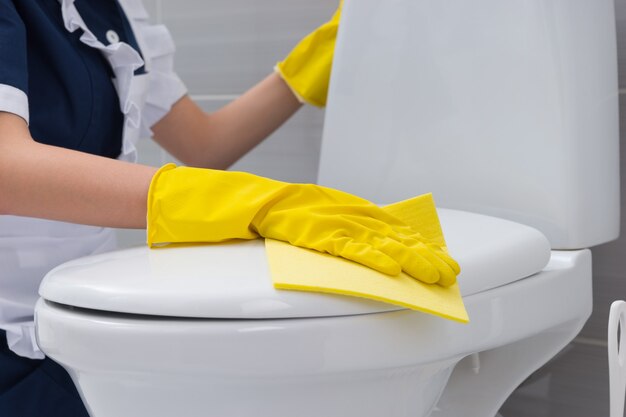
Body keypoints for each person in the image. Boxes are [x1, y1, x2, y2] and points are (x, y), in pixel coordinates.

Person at [0, 0, 460, 415]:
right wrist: (253, 203)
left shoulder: (112, 11)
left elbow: (203, 145)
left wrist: (314, 61)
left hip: (81, 323)